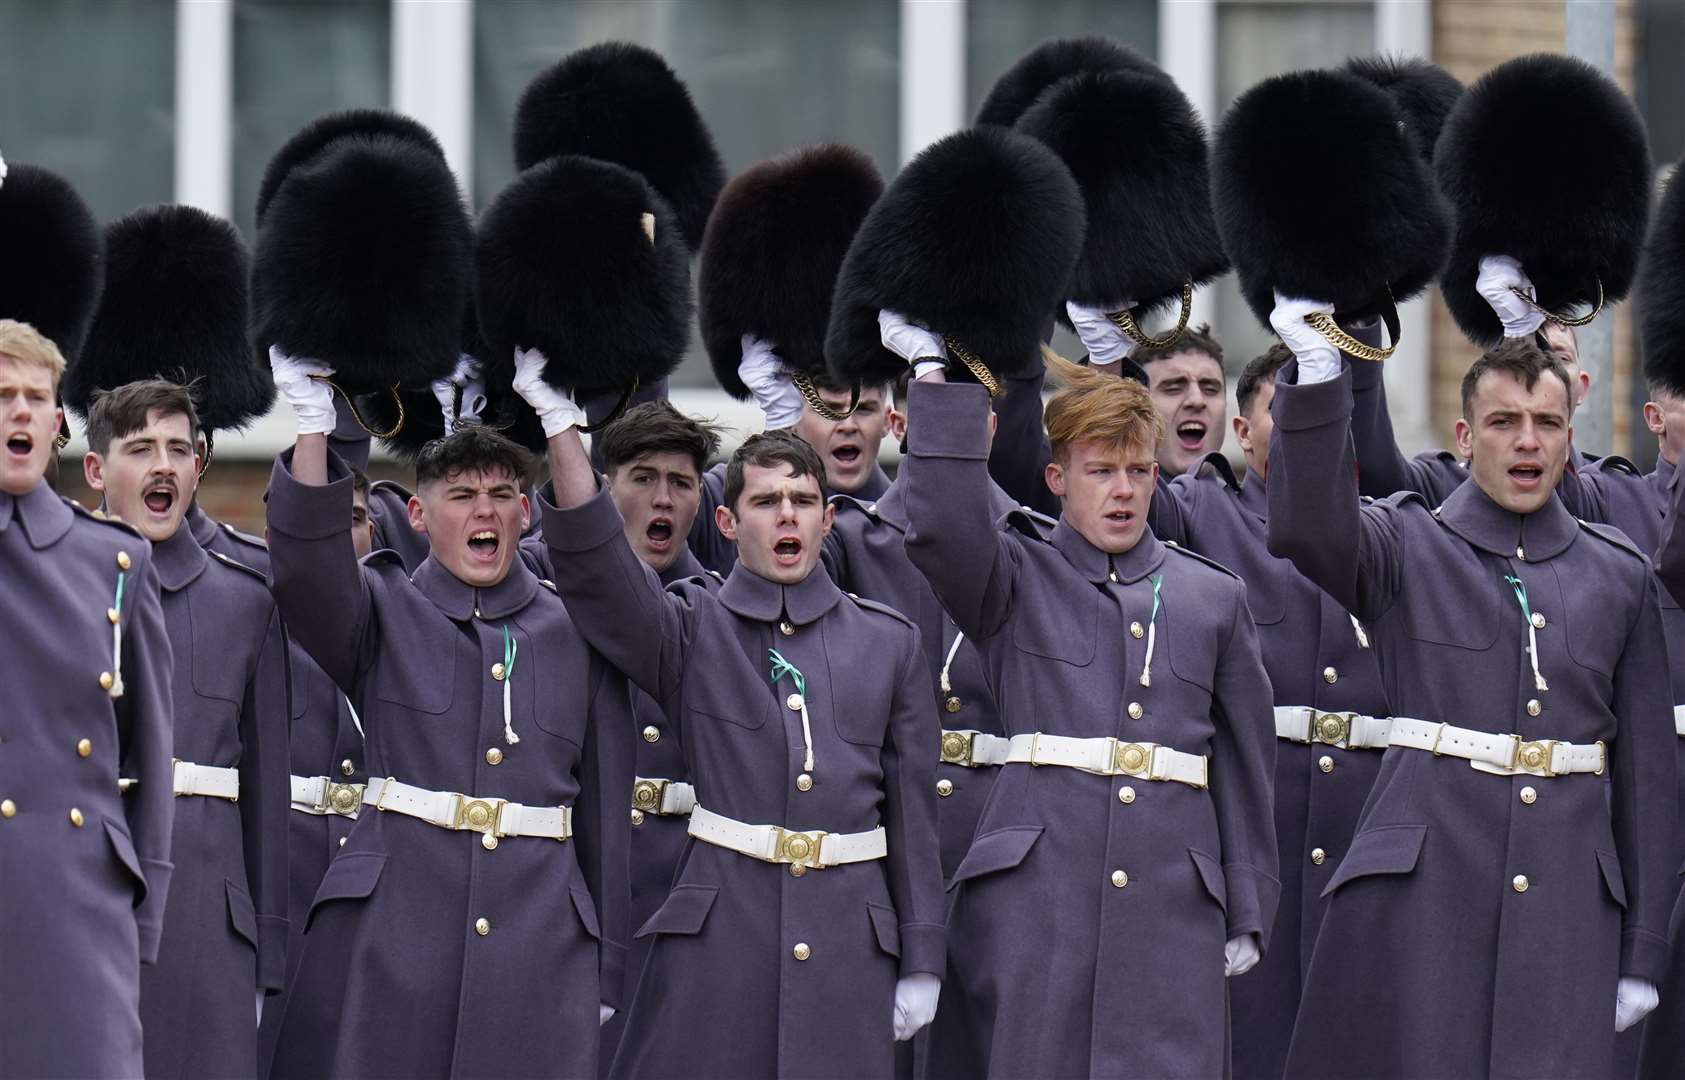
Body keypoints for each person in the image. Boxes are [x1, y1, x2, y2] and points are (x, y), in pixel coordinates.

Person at [1265, 300, 1675, 1078]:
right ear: (1463, 438)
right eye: (1503, 422)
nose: (1526, 440)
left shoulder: (1618, 572)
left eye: (1546, 424)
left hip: (1564, 909)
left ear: (1567, 440)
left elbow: (1646, 781)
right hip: (1419, 905)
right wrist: (1320, 376)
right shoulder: (1407, 543)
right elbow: (1306, 527)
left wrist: (1641, 950)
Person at [518, 350, 945, 1079]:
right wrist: (561, 428)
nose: (787, 516)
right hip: (718, 939)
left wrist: (922, 956)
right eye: (765, 502)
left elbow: (910, 814)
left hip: (849, 941)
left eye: (802, 502)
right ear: (726, 518)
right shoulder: (690, 627)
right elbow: (597, 574)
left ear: (826, 518)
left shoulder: (888, 641)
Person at [888, 312, 1279, 1078]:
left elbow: (1242, 763)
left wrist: (1247, 898)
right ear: (1056, 479)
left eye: (1137, 470)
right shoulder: (1012, 576)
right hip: (1036, 893)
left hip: (1172, 897)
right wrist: (933, 375)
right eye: (1100, 472)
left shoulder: (1212, 597)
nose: (1124, 491)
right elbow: (935, 524)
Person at [264, 353, 633, 1079]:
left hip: (539, 942)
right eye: (461, 495)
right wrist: (314, 425)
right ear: (418, 515)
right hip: (394, 936)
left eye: (501, 494)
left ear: (526, 512)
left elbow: (603, 813)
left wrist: (606, 962)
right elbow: (305, 569)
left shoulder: (574, 631)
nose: (484, 510)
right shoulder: (381, 607)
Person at [80, 379, 290, 1079]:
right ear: (96, 469)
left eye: (178, 449)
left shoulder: (246, 592)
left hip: (207, 913)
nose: (163, 466)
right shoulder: (46, 581)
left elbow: (265, 785)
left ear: (200, 464)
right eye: (140, 449)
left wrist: (268, 949)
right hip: (78, 887)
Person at [519, 398, 724, 1073]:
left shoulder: (723, 606)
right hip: (560, 879)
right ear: (601, 486)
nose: (662, 498)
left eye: (681, 483)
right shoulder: (526, 583)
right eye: (642, 477)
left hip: (682, 893)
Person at [0, 320, 176, 1079]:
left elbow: (152, 753)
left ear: (56, 421)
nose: (21, 413)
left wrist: (143, 919)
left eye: (36, 397)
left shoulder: (112, 560)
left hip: (76, 909)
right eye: (3, 395)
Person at [1129, 323, 1228, 476]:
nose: (1197, 400)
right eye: (1173, 389)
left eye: (1210, 390)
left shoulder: (1255, 500)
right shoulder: (1109, 498)